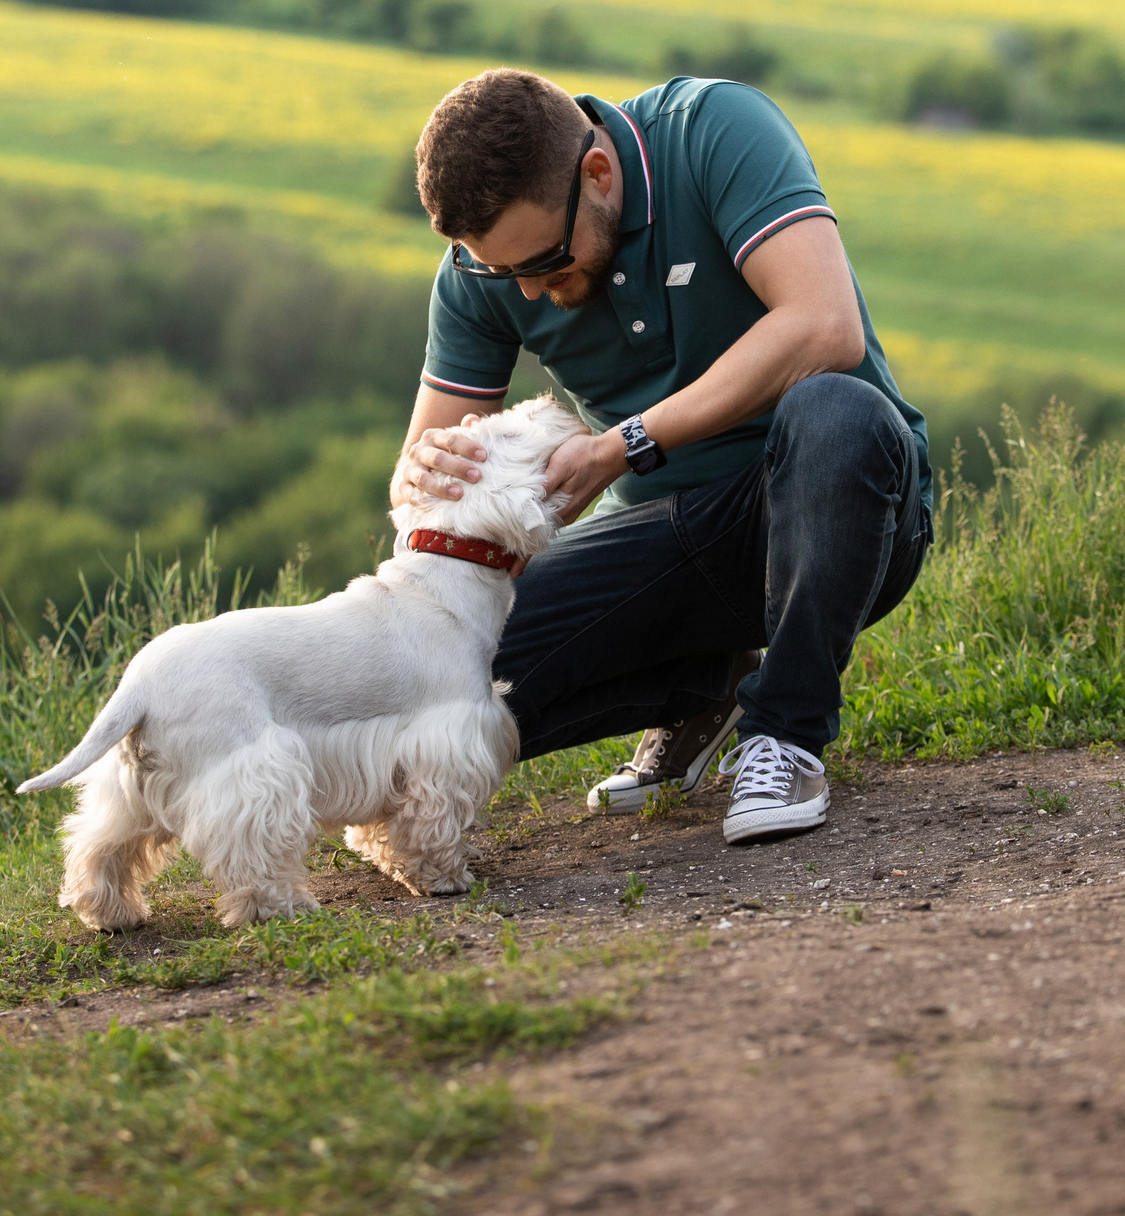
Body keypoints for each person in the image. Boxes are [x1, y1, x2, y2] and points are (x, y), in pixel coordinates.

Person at [391, 67, 932, 843]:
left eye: (544, 262)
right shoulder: (487, 274)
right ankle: (708, 688)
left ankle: (785, 733)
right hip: (666, 543)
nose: (529, 291)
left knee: (838, 409)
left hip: (845, 511)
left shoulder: (714, 130)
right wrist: (419, 474)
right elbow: (425, 490)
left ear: (597, 173)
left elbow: (825, 326)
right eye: (503, 271)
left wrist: (622, 444)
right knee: (440, 676)